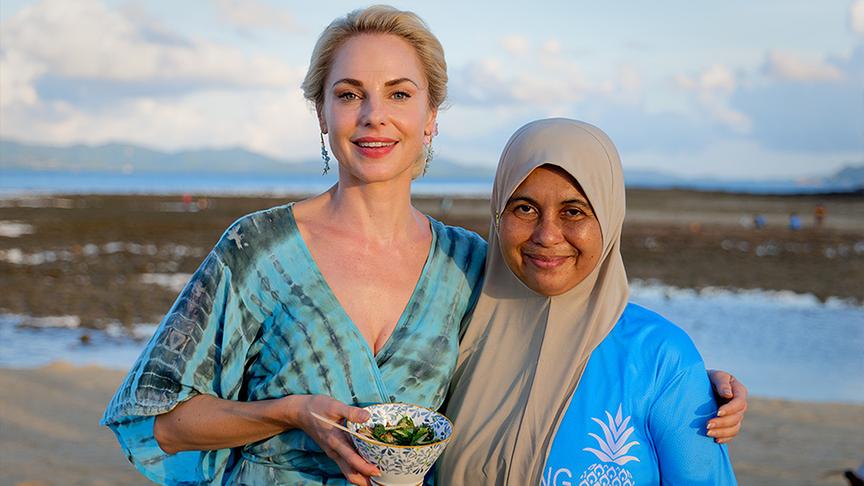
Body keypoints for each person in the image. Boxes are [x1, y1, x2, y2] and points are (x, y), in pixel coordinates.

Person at [102, 7, 746, 486]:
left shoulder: (470, 267)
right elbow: (158, 421)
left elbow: (564, 318)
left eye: (399, 94)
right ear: (322, 114)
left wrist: (696, 385)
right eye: (349, 94)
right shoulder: (258, 251)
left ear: (431, 115)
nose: (373, 115)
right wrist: (293, 412)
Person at [439, 119, 738, 484]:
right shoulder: (453, 335)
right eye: (524, 208)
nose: (547, 235)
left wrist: (696, 389)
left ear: (609, 220)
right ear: (498, 214)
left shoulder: (662, 359)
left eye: (574, 211)